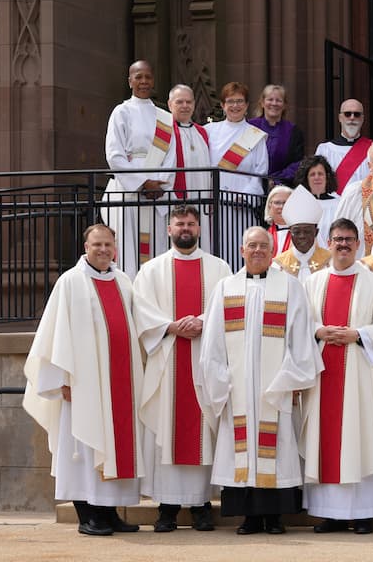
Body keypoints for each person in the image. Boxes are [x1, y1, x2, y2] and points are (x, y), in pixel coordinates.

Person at [195, 226, 323, 535]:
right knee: (241, 451)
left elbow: (301, 340)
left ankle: (274, 517)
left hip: (275, 389)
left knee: (276, 452)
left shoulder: (291, 287)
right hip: (235, 389)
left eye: (263, 247)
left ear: (271, 252)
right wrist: (221, 381)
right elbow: (212, 342)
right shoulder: (225, 288)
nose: (257, 251)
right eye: (251, 246)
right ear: (242, 251)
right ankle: (249, 517)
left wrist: (289, 380)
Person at [23, 224, 144, 536]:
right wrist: (62, 378)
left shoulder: (123, 280)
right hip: (82, 383)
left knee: (114, 448)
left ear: (115, 248)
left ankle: (110, 513)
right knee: (83, 447)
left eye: (108, 244)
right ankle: (87, 516)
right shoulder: (71, 282)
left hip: (119, 383)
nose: (103, 250)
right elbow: (56, 333)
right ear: (85, 247)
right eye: (97, 244)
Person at [132, 205, 232, 532]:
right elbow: (142, 311)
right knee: (167, 428)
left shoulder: (219, 269)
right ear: (169, 229)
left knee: (203, 428)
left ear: (199, 228)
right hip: (167, 359)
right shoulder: (151, 271)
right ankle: (168, 508)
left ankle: (202, 505)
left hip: (204, 358)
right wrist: (171, 326)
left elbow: (228, 308)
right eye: (179, 224)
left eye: (190, 223)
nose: (185, 228)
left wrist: (202, 321)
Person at [302, 218, 373, 534]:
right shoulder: (313, 283)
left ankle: (363, 513)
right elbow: (300, 325)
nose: (343, 244)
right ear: (329, 243)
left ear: (359, 244)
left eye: (349, 239)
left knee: (359, 436)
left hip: (359, 373)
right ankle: (329, 513)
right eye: (338, 239)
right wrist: (319, 331)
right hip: (323, 373)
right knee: (326, 439)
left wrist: (357, 334)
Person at [102, 60, 176, 277]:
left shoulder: (164, 117)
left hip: (156, 193)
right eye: (138, 77)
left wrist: (160, 184)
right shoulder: (121, 112)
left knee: (156, 246)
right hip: (129, 191)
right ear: (130, 81)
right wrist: (143, 183)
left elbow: (170, 156)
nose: (144, 81)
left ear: (153, 80)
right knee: (129, 245)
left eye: (148, 77)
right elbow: (114, 154)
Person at [206, 82, 270, 269]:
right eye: (230, 101)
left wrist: (243, 196)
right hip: (215, 205)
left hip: (243, 206)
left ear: (247, 105)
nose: (235, 106)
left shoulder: (255, 135)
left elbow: (260, 171)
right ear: (223, 105)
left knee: (242, 250)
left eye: (240, 101)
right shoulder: (210, 131)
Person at [247, 83, 306, 187]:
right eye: (270, 99)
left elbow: (297, 163)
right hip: (249, 187)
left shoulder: (293, 131)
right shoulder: (250, 127)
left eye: (279, 100)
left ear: (284, 105)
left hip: (280, 187)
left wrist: (275, 180)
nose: (274, 103)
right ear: (262, 102)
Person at [273, 186, 331, 282]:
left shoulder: (330, 262)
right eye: (297, 232)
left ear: (316, 232)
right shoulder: (278, 266)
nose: (302, 236)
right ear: (290, 234)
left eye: (307, 231)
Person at [315, 98, 373, 189]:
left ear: (362, 119)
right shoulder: (325, 150)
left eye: (357, 114)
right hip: (334, 202)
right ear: (340, 118)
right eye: (347, 114)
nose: (352, 118)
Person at [293, 154, 340, 247]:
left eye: (320, 173)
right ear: (306, 178)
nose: (317, 177)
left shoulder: (338, 203)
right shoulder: (299, 204)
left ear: (327, 177)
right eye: (312, 174)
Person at [264, 185, 293, 256]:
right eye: (277, 203)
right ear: (269, 206)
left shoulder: (305, 233)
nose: (281, 207)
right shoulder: (263, 236)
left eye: (286, 203)